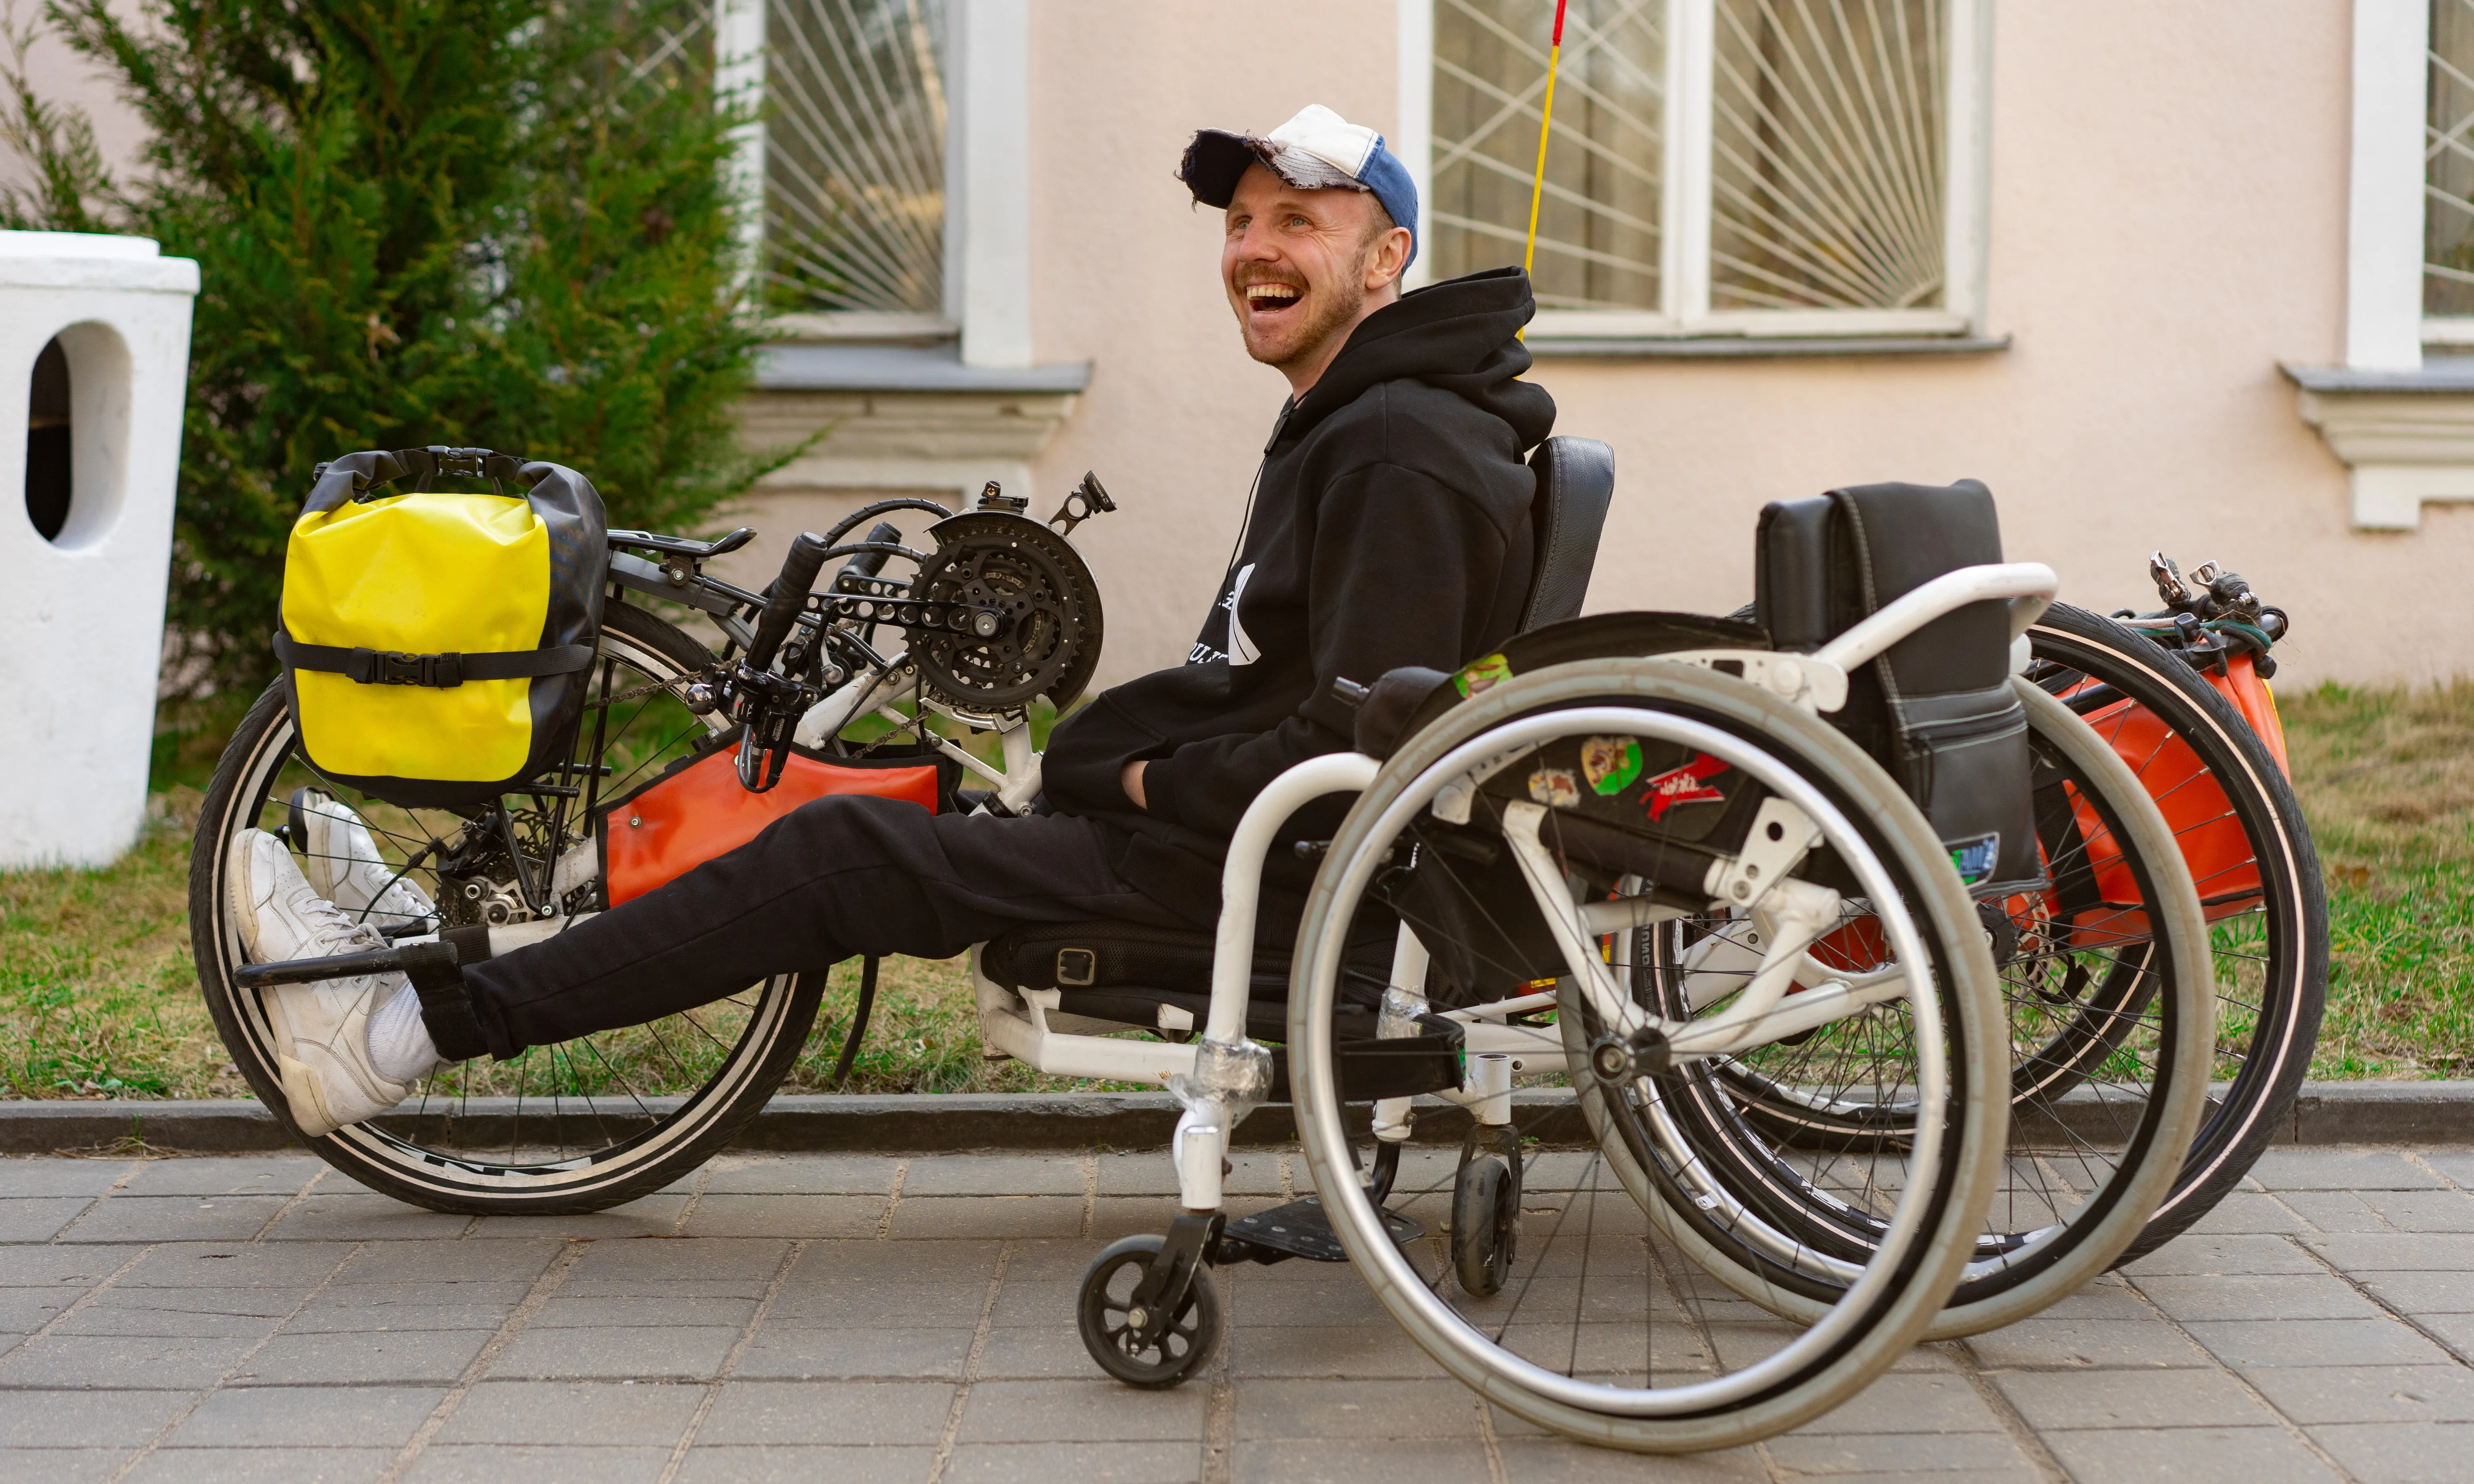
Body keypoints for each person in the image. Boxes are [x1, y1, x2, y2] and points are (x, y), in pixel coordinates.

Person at [229, 103, 1558, 1138]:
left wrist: (1147, 774)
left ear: (1386, 258)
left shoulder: (1397, 446)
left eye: (1301, 223)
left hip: (1249, 869)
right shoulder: (1366, 415)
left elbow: (1369, 741)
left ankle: (401, 1036)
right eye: (1243, 221)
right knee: (853, 795)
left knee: (846, 851)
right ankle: (418, 941)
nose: (1256, 249)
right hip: (1210, 834)